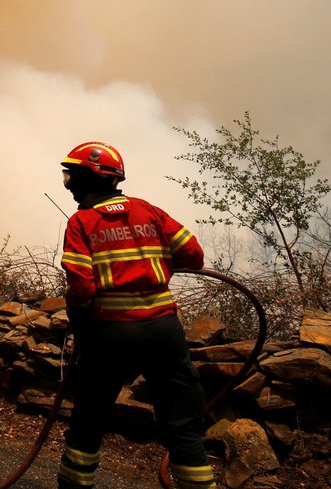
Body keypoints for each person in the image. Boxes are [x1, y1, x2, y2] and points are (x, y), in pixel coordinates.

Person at [56, 142, 215, 489]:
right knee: (181, 421)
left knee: (89, 419)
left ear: (90, 177)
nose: (68, 185)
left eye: (72, 177)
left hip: (113, 333)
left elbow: (81, 288)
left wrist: (81, 321)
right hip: (164, 329)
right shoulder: (149, 211)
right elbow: (194, 256)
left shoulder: (83, 221)